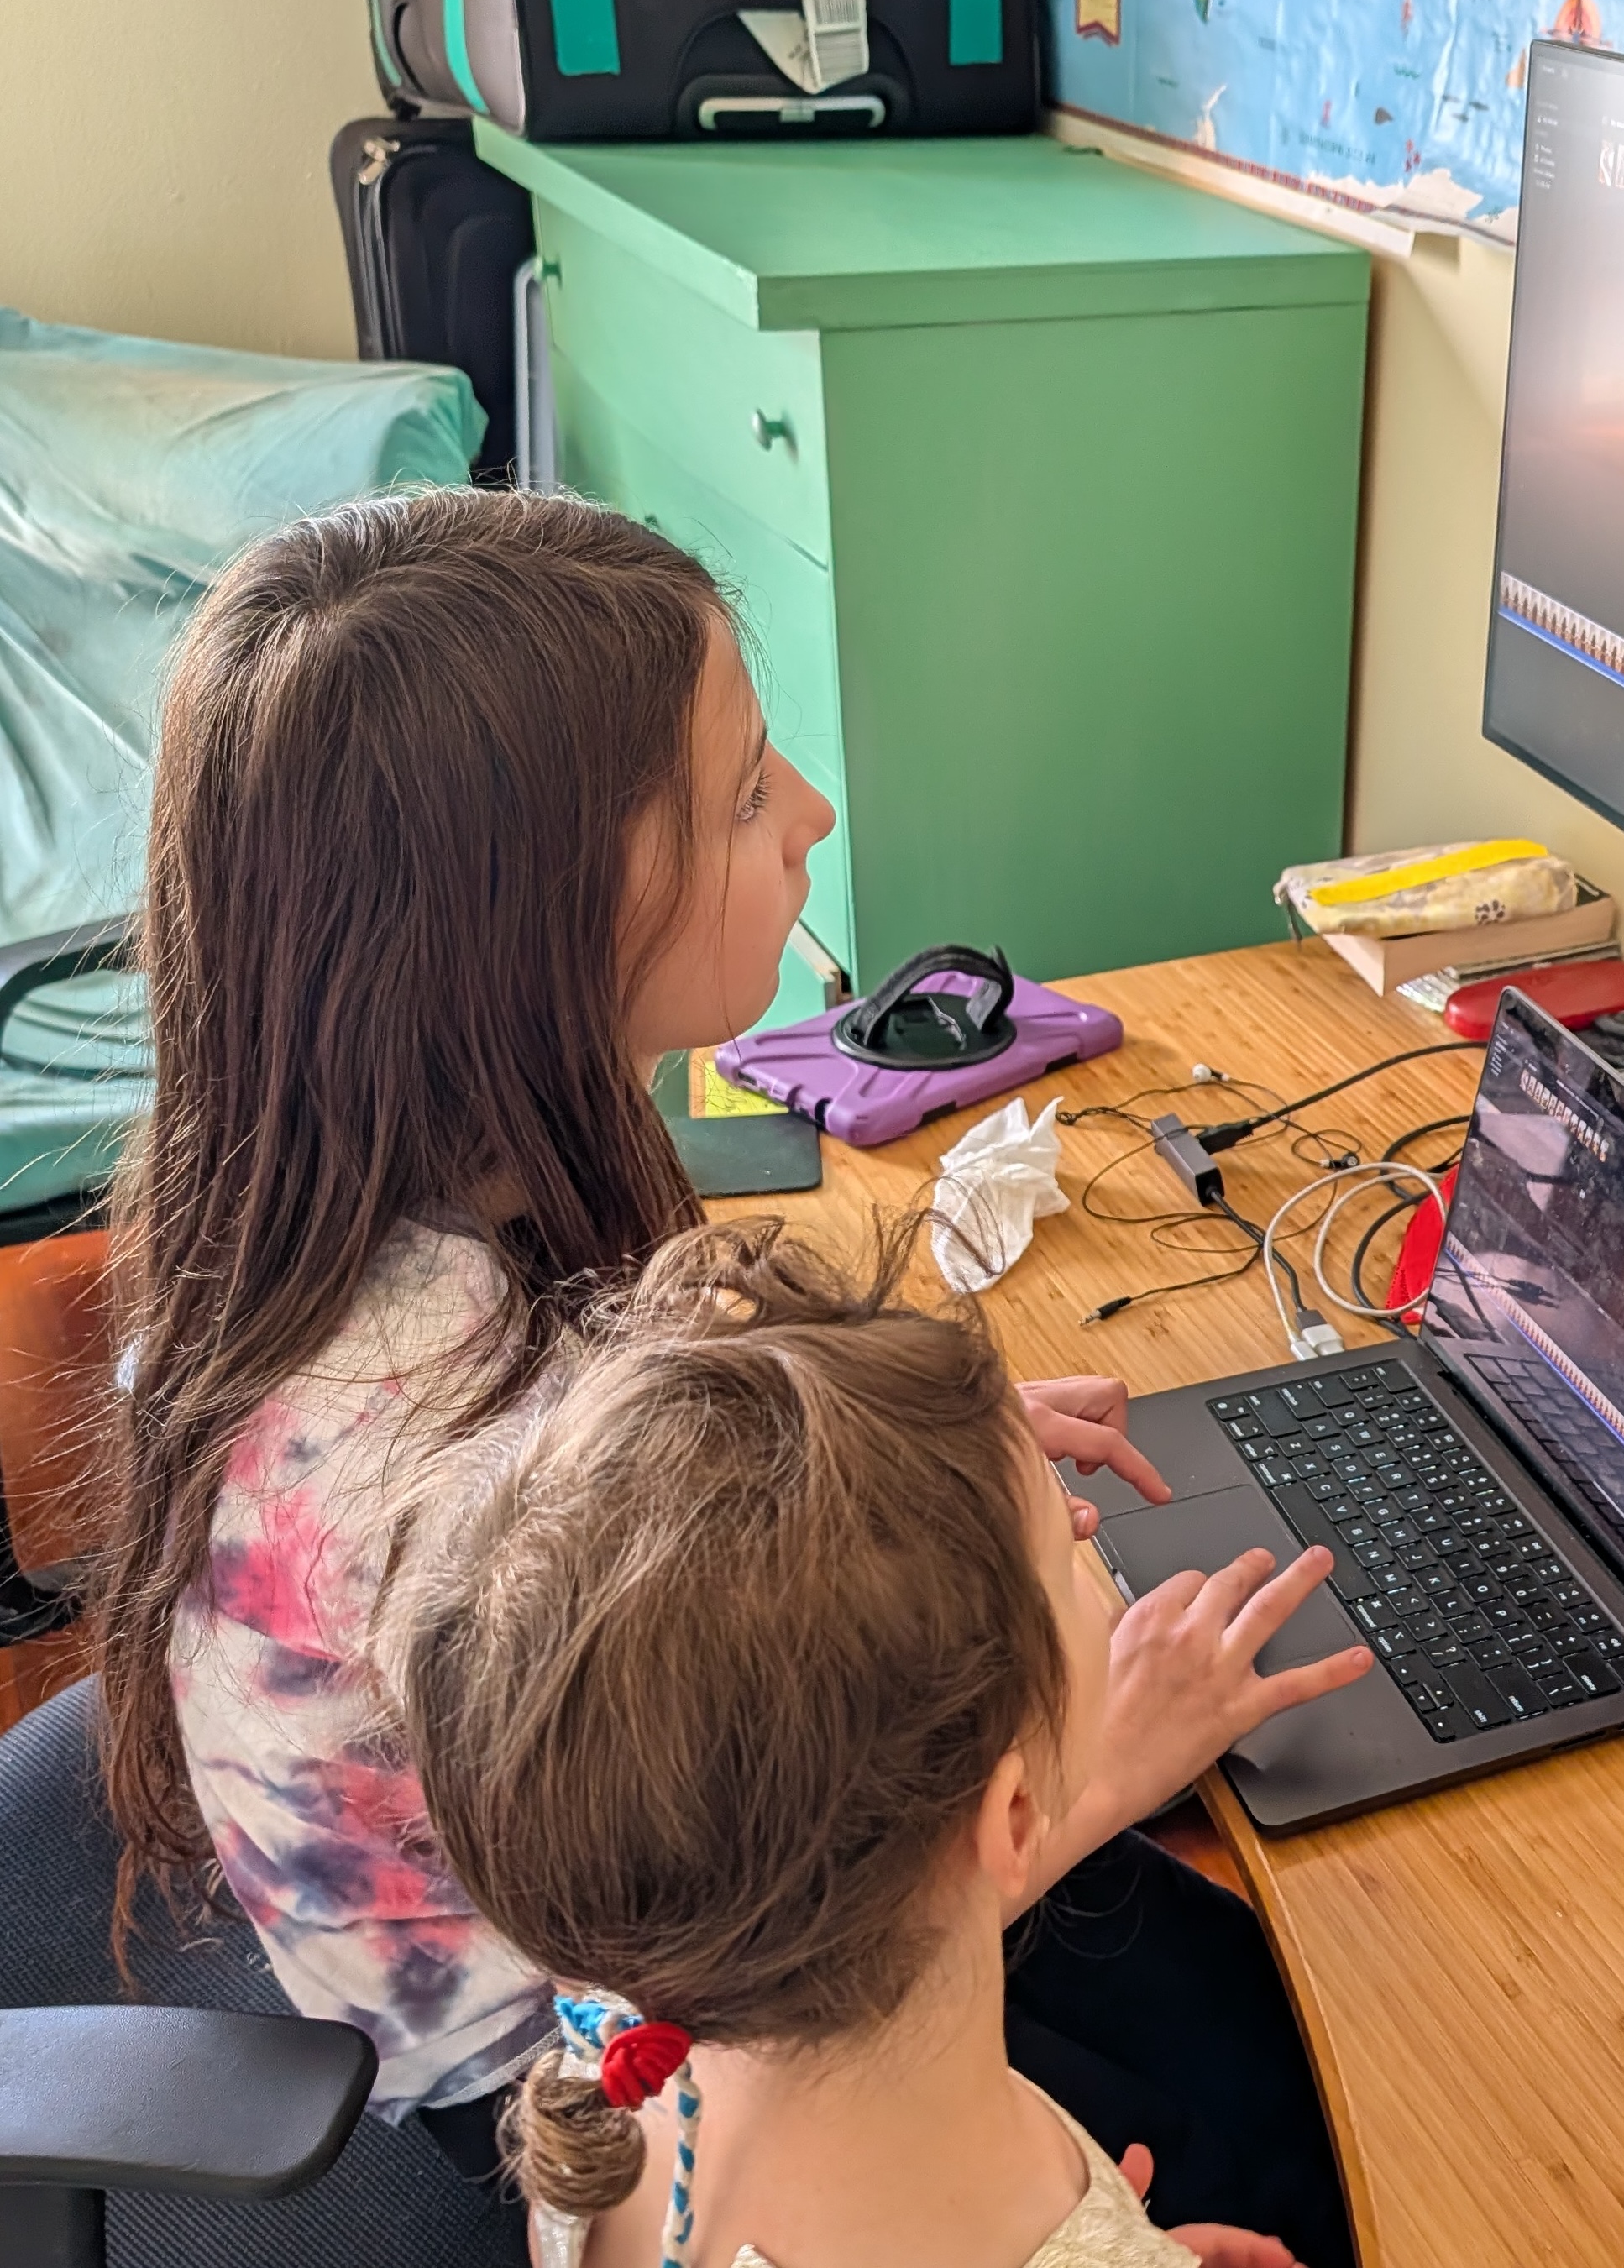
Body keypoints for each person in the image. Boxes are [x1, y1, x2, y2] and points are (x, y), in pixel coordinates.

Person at [91, 489, 1366, 2257]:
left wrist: (892, 1454)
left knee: (1216, 1984)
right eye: (748, 790)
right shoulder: (424, 1455)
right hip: (607, 2065)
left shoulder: (349, 1203)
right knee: (1266, 2102)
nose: (813, 814)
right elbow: (774, 1920)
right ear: (542, 916)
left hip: (655, 1888)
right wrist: (1101, 1767)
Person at [389, 1218, 1305, 2268]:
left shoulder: (611, 2070)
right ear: (1012, 1820)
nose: (1096, 1582)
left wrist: (1116, 2241)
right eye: (1066, 1562)